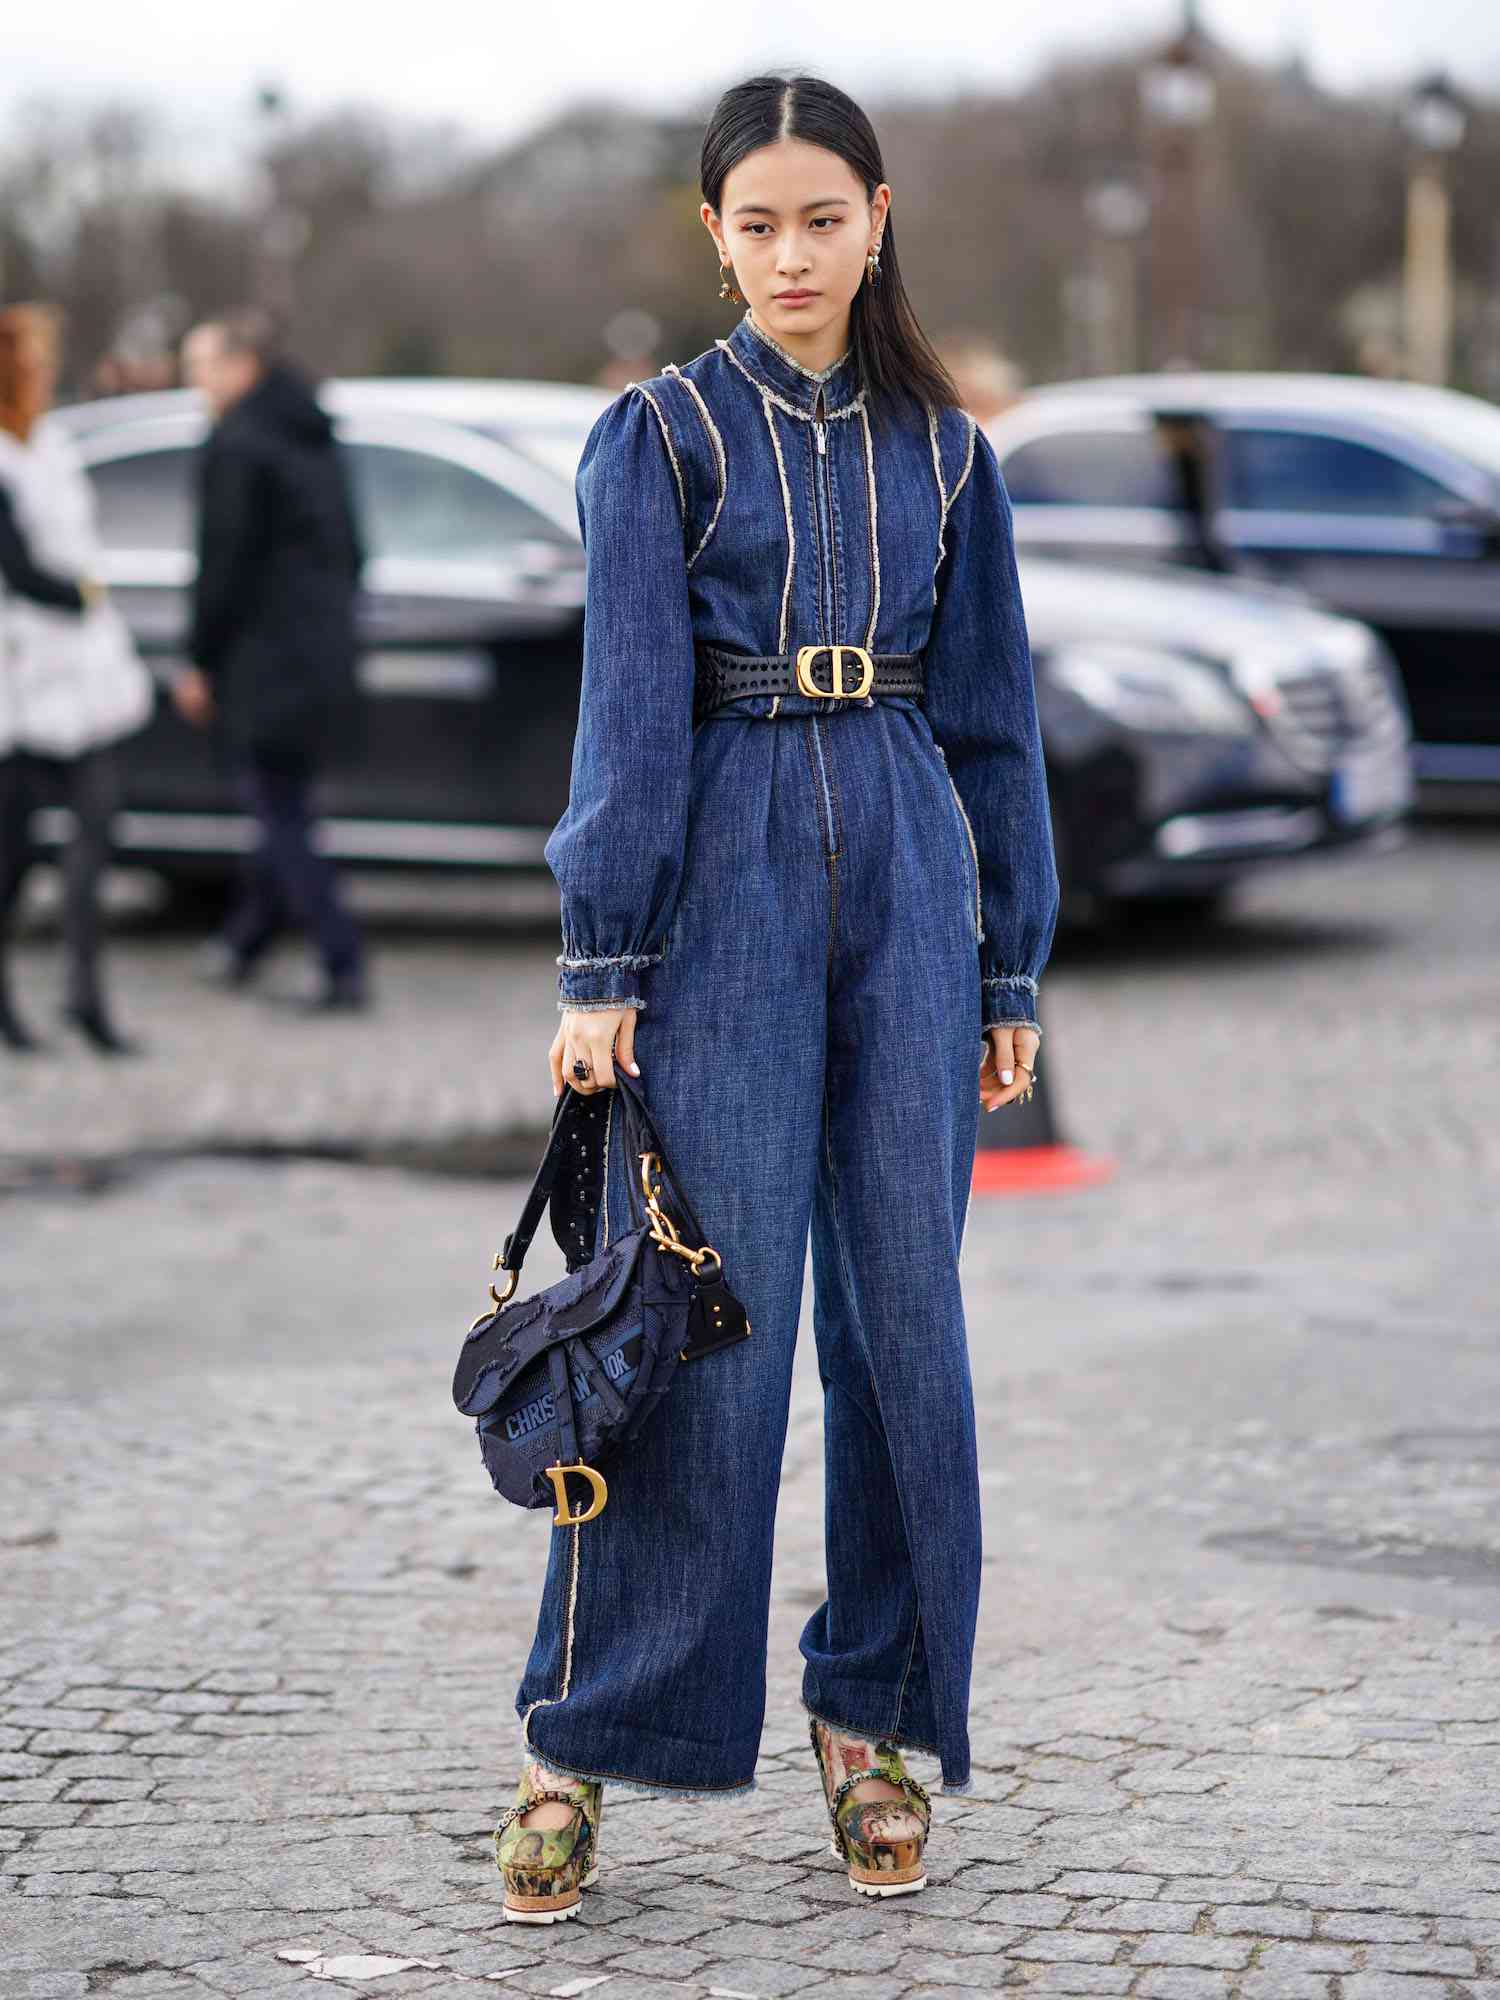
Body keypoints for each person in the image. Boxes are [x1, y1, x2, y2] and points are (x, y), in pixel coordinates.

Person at [488, 72, 1060, 1925]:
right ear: (713, 236)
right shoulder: (656, 439)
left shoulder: (949, 450)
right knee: (686, 1333)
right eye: (759, 223)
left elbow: (993, 727)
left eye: (827, 216)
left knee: (907, 1332)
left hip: (901, 863)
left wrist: (1007, 962)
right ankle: (579, 1738)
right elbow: (627, 719)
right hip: (722, 874)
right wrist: (603, 966)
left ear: (880, 216)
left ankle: (871, 1715)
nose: (795, 251)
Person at [176, 309, 368, 1011]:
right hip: (320, 650)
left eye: (200, 366)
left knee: (276, 806)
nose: (193, 381)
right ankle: (245, 939)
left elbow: (221, 563)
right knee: (280, 801)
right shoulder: (312, 434)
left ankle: (341, 959)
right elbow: (354, 551)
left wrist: (199, 658)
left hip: (262, 659)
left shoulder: (239, 443)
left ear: (240, 364)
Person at [0, 302, 154, 1055]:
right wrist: (83, 594)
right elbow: (23, 570)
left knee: (95, 832)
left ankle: (84, 996)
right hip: (21, 675)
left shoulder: (55, 444)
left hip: (81, 673)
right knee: (13, 856)